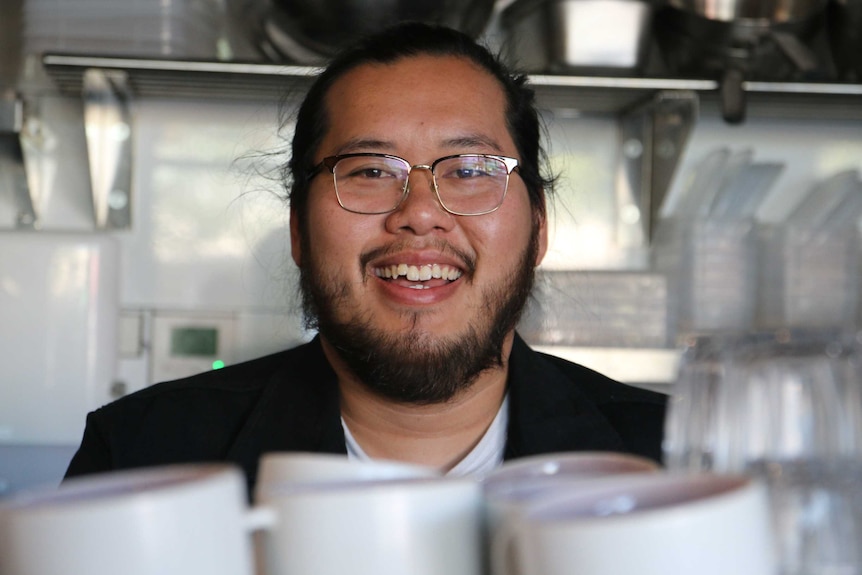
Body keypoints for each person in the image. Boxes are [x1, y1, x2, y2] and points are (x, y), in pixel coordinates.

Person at [64, 22, 666, 495]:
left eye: (471, 170)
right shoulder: (141, 457)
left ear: (537, 231)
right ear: (298, 229)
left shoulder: (673, 461)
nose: (420, 212)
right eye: (371, 170)